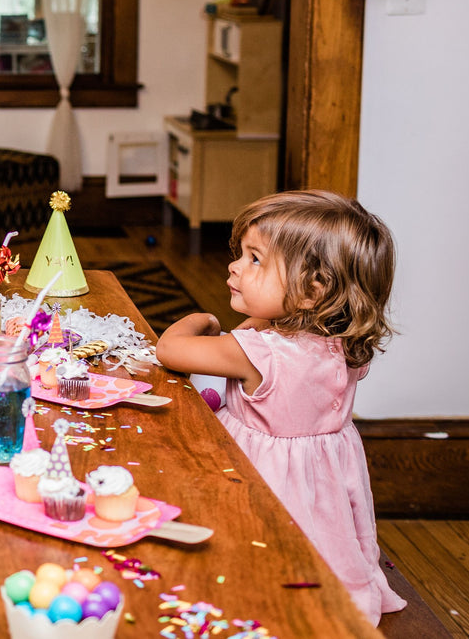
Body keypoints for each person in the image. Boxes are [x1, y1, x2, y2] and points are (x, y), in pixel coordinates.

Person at [155, 190, 405, 625]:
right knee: (321, 540)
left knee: (251, 548)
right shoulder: (343, 344)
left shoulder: (257, 351)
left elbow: (169, 349)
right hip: (324, 474)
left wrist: (205, 320)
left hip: (260, 475)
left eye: (255, 259)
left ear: (313, 290)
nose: (234, 265)